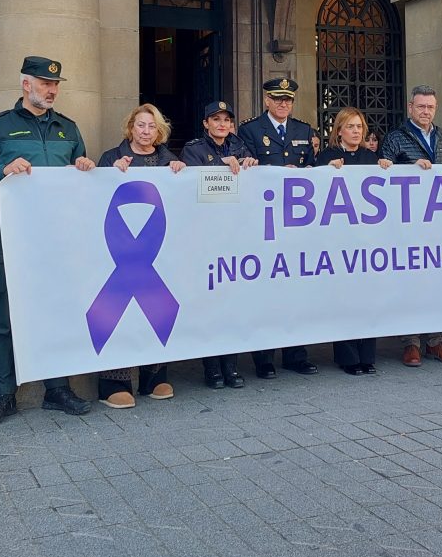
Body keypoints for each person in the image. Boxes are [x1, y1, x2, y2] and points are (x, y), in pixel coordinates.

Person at [0, 56, 96, 426]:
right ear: (26, 85)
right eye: (44, 83)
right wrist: (2, 169)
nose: (51, 90)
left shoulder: (68, 129)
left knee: (59, 311)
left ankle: (58, 389)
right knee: (6, 317)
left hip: (60, 238)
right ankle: (4, 396)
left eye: (55, 84)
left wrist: (85, 167)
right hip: (17, 239)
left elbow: (82, 177)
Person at [95, 104, 185, 408]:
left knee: (151, 312)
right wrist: (109, 172)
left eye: (152, 126)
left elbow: (180, 201)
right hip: (120, 249)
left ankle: (154, 376)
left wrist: (181, 174)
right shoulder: (111, 157)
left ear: (158, 131)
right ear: (130, 127)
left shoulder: (169, 160)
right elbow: (93, 195)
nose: (146, 131)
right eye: (141, 125)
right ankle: (113, 382)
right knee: (121, 315)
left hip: (156, 251)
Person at [380, 85, 442, 367]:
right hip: (407, 226)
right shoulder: (395, 138)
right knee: (410, 284)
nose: (426, 112)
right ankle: (411, 343)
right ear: (410, 108)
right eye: (421, 107)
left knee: (437, 284)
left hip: (438, 226)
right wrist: (406, 168)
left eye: (430, 107)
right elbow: (383, 173)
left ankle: (436, 340)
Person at [238, 78, 318, 377]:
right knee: (266, 292)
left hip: (297, 221)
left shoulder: (302, 130)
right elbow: (248, 173)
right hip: (265, 221)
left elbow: (311, 167)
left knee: (296, 290)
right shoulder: (249, 130)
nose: (283, 104)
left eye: (288, 100)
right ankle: (265, 358)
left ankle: (296, 354)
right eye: (278, 99)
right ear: (267, 101)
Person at [181, 100, 258, 389]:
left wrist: (251, 165)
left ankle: (231, 366)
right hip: (205, 236)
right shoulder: (193, 149)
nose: (222, 124)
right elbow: (191, 185)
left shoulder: (241, 147)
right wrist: (218, 166)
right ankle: (211, 367)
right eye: (216, 119)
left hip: (234, 235)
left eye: (226, 119)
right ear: (206, 124)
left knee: (232, 304)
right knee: (209, 304)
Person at [316, 107, 392, 374]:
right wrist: (325, 172)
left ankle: (367, 355)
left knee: (367, 297)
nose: (357, 131)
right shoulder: (326, 157)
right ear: (339, 131)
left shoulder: (371, 158)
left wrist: (385, 168)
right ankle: (348, 358)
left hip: (366, 240)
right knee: (344, 299)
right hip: (338, 239)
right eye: (351, 127)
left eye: (360, 127)